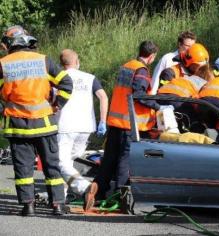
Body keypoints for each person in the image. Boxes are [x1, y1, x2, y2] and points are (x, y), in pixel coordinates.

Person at [0, 25, 73, 216]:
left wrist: (3, 109)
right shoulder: (44, 61)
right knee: (51, 166)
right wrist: (58, 104)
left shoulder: (3, 64)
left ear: (10, 43)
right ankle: (57, 205)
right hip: (44, 124)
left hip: (18, 126)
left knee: (23, 168)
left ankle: (28, 206)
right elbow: (66, 82)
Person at [84, 41, 159, 212]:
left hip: (115, 122)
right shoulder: (141, 70)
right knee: (125, 161)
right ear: (152, 56)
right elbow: (139, 94)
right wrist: (157, 106)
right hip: (129, 123)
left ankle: (97, 190)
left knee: (109, 161)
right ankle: (119, 196)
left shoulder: (127, 66)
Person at [57, 49, 108, 199]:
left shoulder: (58, 78)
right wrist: (103, 121)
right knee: (68, 162)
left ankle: (85, 187)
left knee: (61, 163)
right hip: (86, 127)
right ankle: (62, 194)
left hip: (65, 126)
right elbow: (103, 97)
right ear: (76, 61)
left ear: (62, 63)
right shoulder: (89, 78)